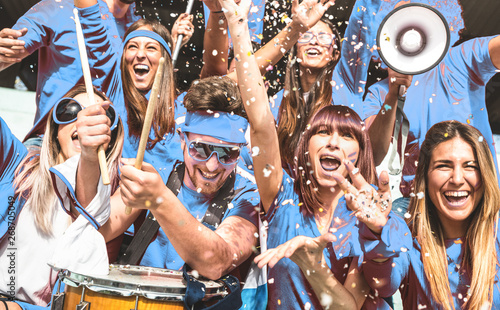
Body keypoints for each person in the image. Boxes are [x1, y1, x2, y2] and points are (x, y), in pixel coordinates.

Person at [222, 0, 398, 308]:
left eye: (346, 135)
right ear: (306, 147)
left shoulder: (365, 217)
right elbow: (260, 119)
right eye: (321, 132)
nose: (333, 141)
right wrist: (238, 28)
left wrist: (311, 265)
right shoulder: (282, 197)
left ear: (361, 151)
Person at [59, 76, 259, 283]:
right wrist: (89, 156)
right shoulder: (158, 176)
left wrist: (160, 201)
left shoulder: (248, 195)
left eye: (227, 154)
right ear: (183, 139)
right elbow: (95, 229)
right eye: (200, 149)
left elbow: (217, 262)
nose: (212, 165)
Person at [0, 84, 123, 309]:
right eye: (71, 111)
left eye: (99, 117)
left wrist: (89, 155)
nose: (84, 120)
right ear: (56, 130)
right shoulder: (17, 166)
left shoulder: (112, 195)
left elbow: (86, 206)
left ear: (110, 137)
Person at [359, 120, 500, 309]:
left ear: (485, 175)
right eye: (444, 166)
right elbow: (382, 284)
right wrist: (378, 233)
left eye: (470, 166)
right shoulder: (406, 237)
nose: (457, 179)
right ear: (424, 177)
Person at [365, 34, 500, 217]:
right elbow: (371, 152)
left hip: (476, 195)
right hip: (418, 205)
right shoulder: (380, 92)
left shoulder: (460, 60)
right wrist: (392, 96)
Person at [75, 0, 188, 182]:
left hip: (160, 206)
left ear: (165, 61)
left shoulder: (183, 106)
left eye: (151, 48)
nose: (140, 54)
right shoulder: (115, 84)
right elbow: (90, 18)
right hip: (112, 201)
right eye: (132, 47)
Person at [0, 0, 139, 141]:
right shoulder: (58, 7)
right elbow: (10, 51)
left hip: (111, 149)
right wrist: (4, 51)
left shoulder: (140, 28)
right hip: (53, 145)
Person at [275, 0, 384, 174]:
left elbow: (361, 26)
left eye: (324, 37)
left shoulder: (346, 81)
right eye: (305, 35)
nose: (314, 42)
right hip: (295, 196)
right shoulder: (278, 102)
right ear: (295, 50)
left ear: (335, 54)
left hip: (343, 192)